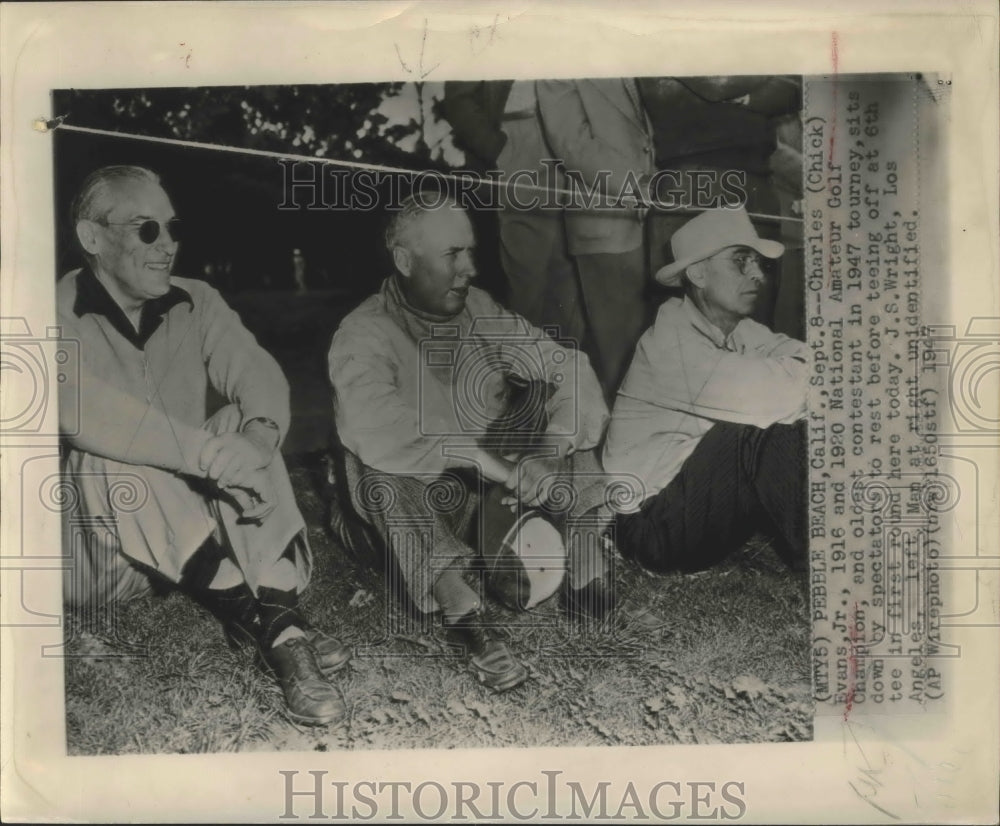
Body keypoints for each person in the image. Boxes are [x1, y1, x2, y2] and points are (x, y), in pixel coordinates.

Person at [57, 165, 350, 726]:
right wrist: (211, 457)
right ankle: (275, 624)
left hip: (190, 539)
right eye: (147, 230)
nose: (167, 245)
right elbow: (82, 412)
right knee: (102, 450)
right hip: (102, 550)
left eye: (171, 228)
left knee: (242, 419)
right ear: (92, 237)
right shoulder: (46, 312)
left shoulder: (197, 300)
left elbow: (256, 371)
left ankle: (275, 624)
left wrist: (256, 438)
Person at [327, 195, 615, 694]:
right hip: (403, 518)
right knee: (375, 463)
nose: (470, 268)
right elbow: (379, 430)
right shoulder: (362, 331)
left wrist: (548, 450)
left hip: (483, 497)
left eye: (471, 253)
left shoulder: (479, 308)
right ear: (404, 260)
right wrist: (495, 465)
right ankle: (464, 614)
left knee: (559, 411)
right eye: (452, 255)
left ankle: (589, 573)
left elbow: (567, 366)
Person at [603, 207, 807, 574]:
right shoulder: (671, 345)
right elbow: (785, 398)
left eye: (758, 263)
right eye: (740, 262)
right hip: (649, 531)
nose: (758, 274)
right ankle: (831, 565)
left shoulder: (736, 328)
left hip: (689, 501)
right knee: (755, 433)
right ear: (697, 273)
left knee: (783, 419)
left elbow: (806, 359)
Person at [536, 77, 656, 401]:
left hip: (657, 219)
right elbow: (571, 143)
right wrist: (636, 186)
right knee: (622, 362)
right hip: (606, 219)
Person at [442, 80, 585, 345]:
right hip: (518, 132)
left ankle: (565, 372)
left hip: (570, 131)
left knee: (569, 269)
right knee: (526, 271)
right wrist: (499, 150)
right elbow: (458, 99)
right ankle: (523, 373)